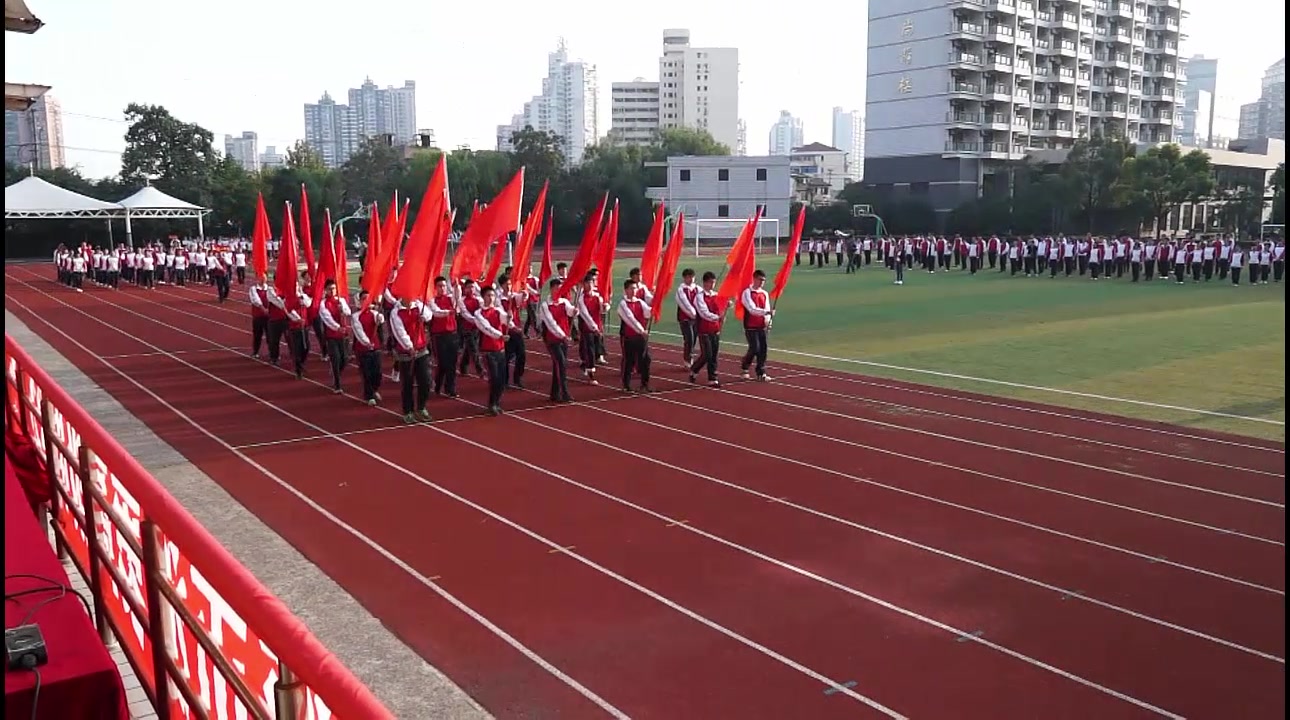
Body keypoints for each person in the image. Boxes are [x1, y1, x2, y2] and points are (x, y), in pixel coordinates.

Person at [388, 294, 433, 423]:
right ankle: (408, 411)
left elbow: (429, 315)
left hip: (421, 349)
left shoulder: (418, 305)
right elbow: (399, 331)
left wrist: (423, 316)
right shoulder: (396, 312)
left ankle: (421, 407)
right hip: (406, 353)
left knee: (425, 381)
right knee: (407, 383)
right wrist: (409, 346)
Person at [472, 286, 510, 416]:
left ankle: (497, 402)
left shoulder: (498, 311)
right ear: (483, 297)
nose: (491, 298)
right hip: (488, 351)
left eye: (493, 295)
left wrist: (509, 317)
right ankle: (492, 403)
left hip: (500, 349)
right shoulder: (478, 313)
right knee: (494, 378)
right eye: (488, 295)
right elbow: (486, 328)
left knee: (501, 379)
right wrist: (500, 335)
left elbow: (505, 320)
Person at [538, 277, 576, 402]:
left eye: (560, 289)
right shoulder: (545, 305)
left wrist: (576, 311)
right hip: (552, 340)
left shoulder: (564, 302)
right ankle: (564, 392)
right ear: (551, 289)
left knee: (558, 365)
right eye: (556, 288)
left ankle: (554, 393)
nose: (558, 291)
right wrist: (562, 335)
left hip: (563, 339)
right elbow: (550, 323)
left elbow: (571, 312)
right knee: (561, 363)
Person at [688, 271, 726, 387]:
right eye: (710, 282)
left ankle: (712, 377)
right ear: (705, 283)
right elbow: (704, 313)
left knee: (714, 354)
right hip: (704, 330)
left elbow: (721, 307)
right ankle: (694, 369)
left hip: (715, 329)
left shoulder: (716, 295)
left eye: (714, 282)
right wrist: (717, 317)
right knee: (707, 354)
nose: (712, 285)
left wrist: (726, 305)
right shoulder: (699, 297)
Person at [427, 276, 460, 398]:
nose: (442, 288)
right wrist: (448, 312)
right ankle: (438, 382)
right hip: (439, 335)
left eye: (444, 286)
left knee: (452, 363)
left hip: (452, 334)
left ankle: (450, 388)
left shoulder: (450, 299)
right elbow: (436, 312)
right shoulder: (432, 300)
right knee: (443, 363)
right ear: (435, 288)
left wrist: (457, 288)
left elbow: (458, 301)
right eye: (440, 286)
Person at [617, 278, 653, 393]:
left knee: (645, 359)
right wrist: (642, 330)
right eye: (631, 288)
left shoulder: (640, 302)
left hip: (640, 337)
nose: (633, 291)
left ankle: (644, 383)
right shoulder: (623, 304)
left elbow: (647, 313)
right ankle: (626, 384)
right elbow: (630, 319)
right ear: (626, 290)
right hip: (629, 337)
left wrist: (655, 305)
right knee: (629, 361)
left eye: (635, 288)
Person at [350, 290, 384, 406]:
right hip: (363, 349)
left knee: (378, 373)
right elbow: (358, 331)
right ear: (360, 301)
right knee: (367, 373)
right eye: (364, 298)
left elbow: (380, 319)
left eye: (368, 299)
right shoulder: (356, 316)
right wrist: (367, 342)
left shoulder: (375, 314)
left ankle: (374, 389)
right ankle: (369, 395)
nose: (366, 301)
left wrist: (380, 318)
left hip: (376, 347)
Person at [317, 279, 352, 394]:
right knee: (336, 359)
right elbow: (327, 319)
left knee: (345, 359)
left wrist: (343, 309)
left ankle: (336, 371)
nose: (332, 291)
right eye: (329, 289)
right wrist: (337, 327)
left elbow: (348, 312)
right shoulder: (323, 304)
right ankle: (337, 384)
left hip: (344, 336)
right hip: (332, 336)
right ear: (325, 291)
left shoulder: (341, 300)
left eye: (333, 288)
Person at [739, 269, 774, 381]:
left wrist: (768, 321)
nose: (761, 282)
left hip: (761, 326)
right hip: (750, 325)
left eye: (763, 280)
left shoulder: (764, 294)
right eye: (760, 280)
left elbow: (767, 308)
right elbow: (752, 309)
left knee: (763, 349)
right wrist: (766, 312)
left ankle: (761, 372)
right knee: (755, 348)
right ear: (754, 278)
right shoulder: (747, 293)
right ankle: (745, 364)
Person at [497, 275, 528, 389]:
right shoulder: (498, 299)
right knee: (506, 356)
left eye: (510, 284)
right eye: (506, 284)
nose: (509, 286)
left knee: (522, 354)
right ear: (502, 285)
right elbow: (503, 316)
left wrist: (525, 294)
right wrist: (513, 326)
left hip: (517, 330)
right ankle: (504, 380)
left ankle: (517, 377)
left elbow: (522, 298)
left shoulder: (513, 296)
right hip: (507, 330)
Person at [575, 273, 604, 385]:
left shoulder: (597, 296)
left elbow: (602, 311)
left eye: (591, 282)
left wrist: (605, 306)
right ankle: (591, 375)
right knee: (590, 351)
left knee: (597, 350)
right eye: (587, 283)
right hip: (587, 328)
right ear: (583, 285)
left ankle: (584, 364)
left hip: (597, 328)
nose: (589, 285)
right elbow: (585, 315)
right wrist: (594, 327)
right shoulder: (581, 298)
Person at [282, 288, 313, 380]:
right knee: (297, 349)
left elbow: (308, 304)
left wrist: (302, 299)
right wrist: (298, 319)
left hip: (304, 326)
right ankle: (298, 370)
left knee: (306, 347)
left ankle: (301, 364)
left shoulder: (303, 296)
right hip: (294, 327)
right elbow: (288, 311)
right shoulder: (287, 299)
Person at [674, 269, 700, 367]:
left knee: (694, 339)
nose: (690, 279)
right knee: (689, 337)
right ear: (684, 278)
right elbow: (685, 303)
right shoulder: (681, 290)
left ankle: (690, 354)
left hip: (696, 318)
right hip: (685, 318)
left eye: (691, 277)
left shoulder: (698, 289)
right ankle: (687, 358)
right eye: (688, 277)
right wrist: (694, 313)